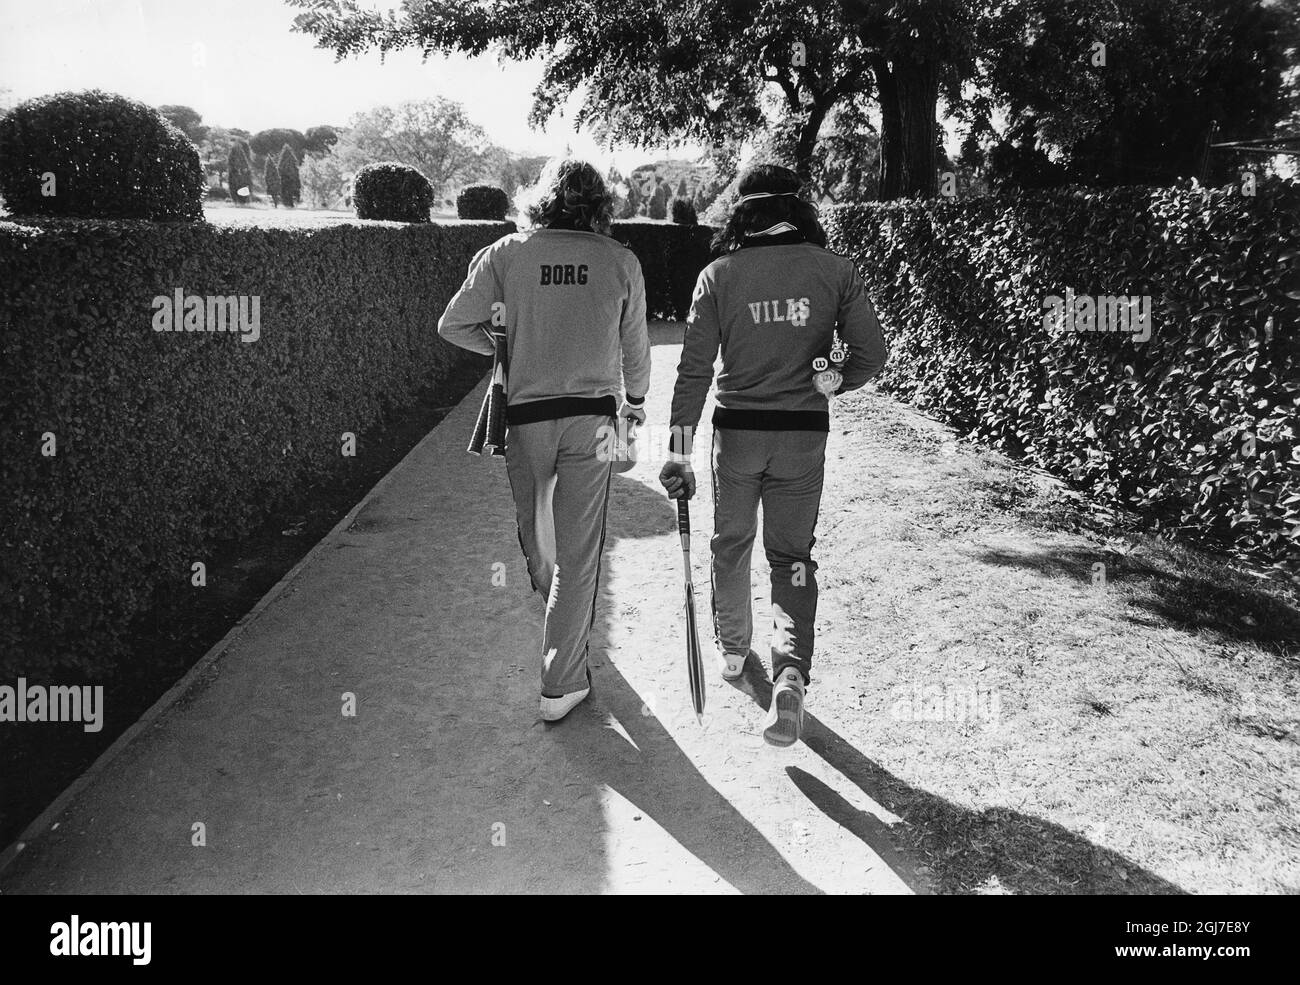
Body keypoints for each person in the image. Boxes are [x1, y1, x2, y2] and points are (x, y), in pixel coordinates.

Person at [659, 164, 888, 747]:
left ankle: (734, 653)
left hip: (737, 434)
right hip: (803, 435)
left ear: (741, 211)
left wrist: (679, 453)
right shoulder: (836, 271)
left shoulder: (718, 275)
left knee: (730, 542)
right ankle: (789, 669)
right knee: (791, 553)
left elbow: (693, 373)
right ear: (801, 207)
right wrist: (832, 379)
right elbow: (871, 357)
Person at [439, 159, 651, 722]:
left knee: (539, 539)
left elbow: (453, 325)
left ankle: (565, 634)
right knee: (580, 554)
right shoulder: (621, 261)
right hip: (595, 422)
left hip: (526, 419)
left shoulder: (507, 253)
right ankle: (561, 678)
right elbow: (636, 351)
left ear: (542, 198)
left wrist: (507, 348)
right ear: (602, 204)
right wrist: (637, 407)